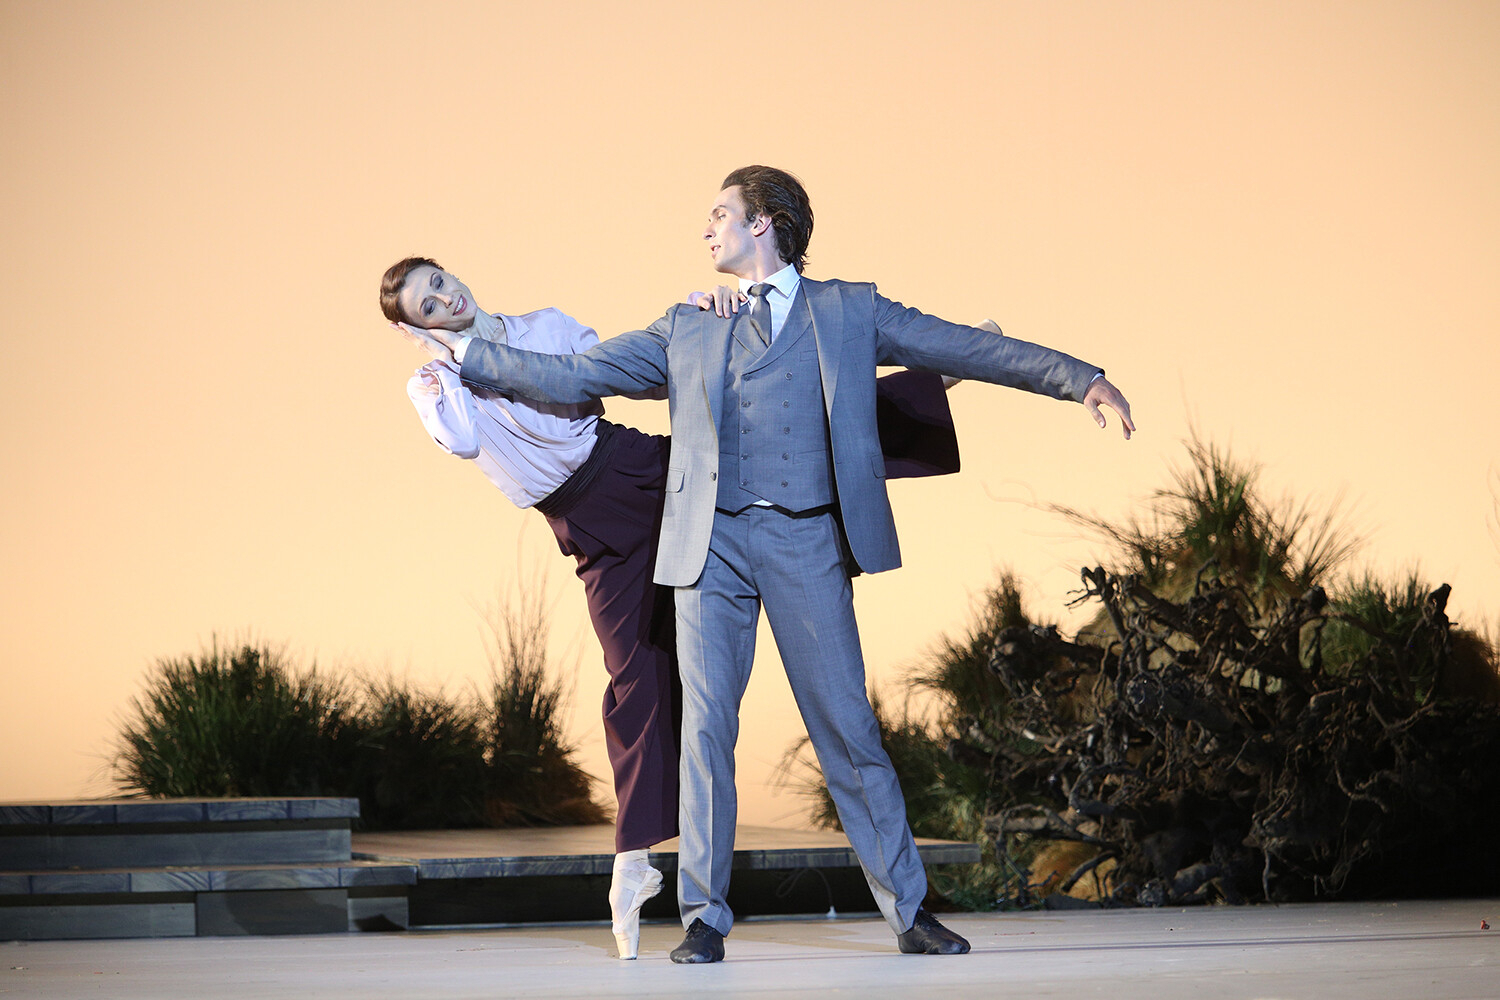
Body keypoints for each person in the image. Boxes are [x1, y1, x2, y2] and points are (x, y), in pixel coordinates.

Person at [399, 168, 1135, 962]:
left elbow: (965, 346)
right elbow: (573, 376)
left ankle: (911, 914)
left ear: (764, 223)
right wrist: (465, 351)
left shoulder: (850, 309)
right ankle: (703, 919)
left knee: (847, 726)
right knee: (707, 730)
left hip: (805, 542)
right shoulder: (688, 324)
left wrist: (1080, 378)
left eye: (720, 213)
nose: (705, 228)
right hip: (707, 548)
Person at [384, 254, 965, 960]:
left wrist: (706, 327)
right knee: (638, 680)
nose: (445, 299)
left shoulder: (544, 326)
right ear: (415, 329)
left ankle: (918, 390)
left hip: (635, 471)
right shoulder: (433, 384)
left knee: (760, 438)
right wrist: (449, 362)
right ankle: (635, 862)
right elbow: (464, 440)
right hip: (587, 522)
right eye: (426, 307)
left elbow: (632, 374)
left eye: (439, 282)